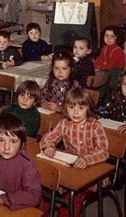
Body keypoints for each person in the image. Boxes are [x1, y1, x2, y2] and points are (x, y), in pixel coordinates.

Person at [40, 87, 109, 217]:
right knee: (46, 188)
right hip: (70, 169)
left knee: (74, 197)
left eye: (81, 108)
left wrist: (86, 159)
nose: (76, 112)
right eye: (71, 108)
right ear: (65, 108)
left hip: (93, 174)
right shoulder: (64, 123)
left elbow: (103, 151)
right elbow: (47, 138)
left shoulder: (95, 125)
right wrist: (49, 146)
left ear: (88, 108)